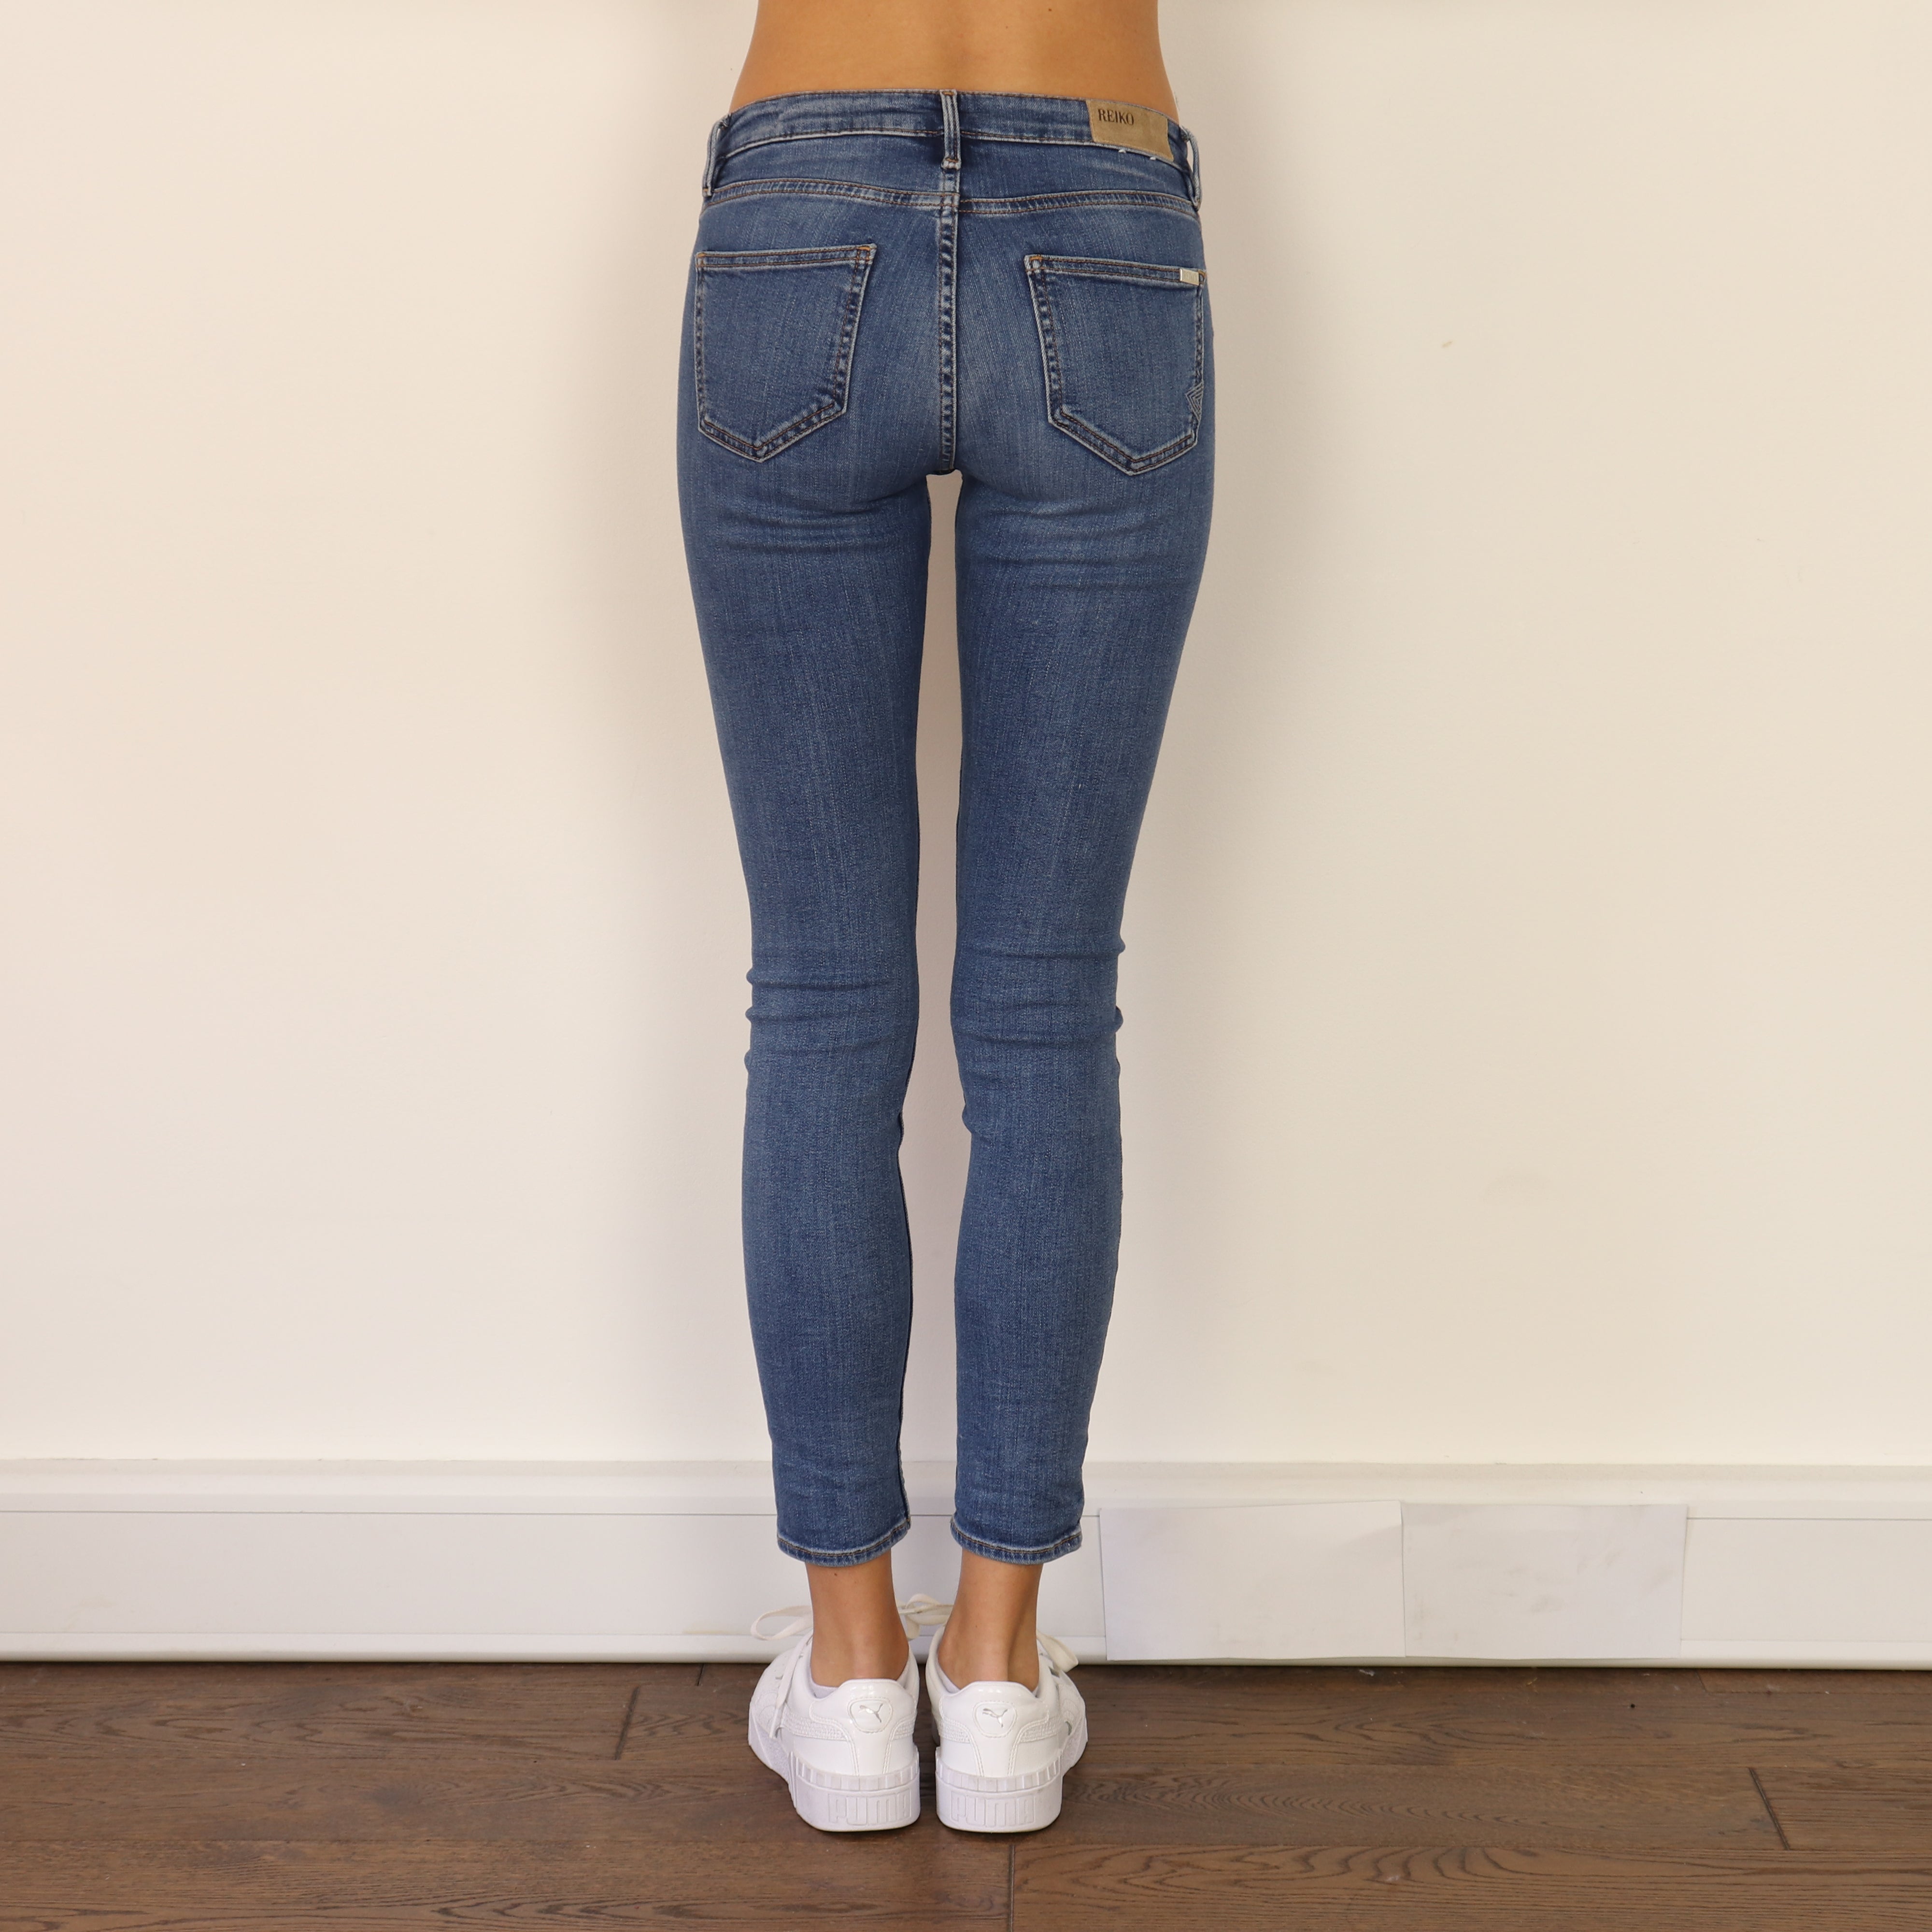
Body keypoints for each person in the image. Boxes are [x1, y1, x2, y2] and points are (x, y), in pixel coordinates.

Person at [676, 0, 1212, 1832]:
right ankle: (991, 1674)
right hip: (1103, 207)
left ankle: (847, 1676)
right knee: (1047, 1009)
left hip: (800, 205)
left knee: (823, 1000)